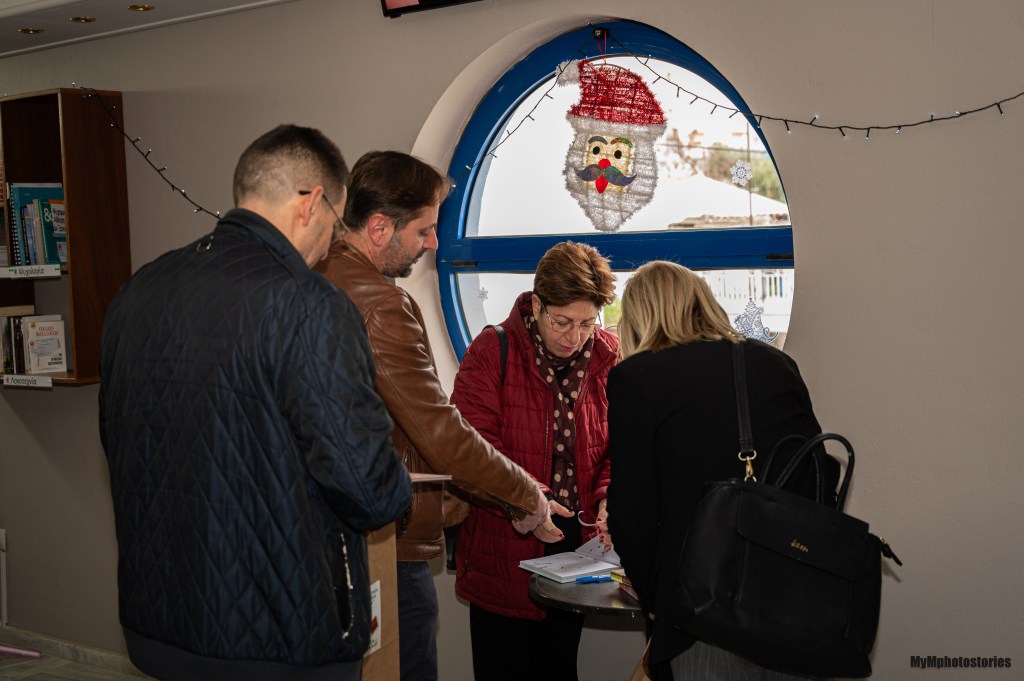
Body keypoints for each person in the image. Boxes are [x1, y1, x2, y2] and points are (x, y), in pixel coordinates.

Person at [99, 125, 413, 681]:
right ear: (311, 202)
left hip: (157, 624)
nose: (330, 243)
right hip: (276, 638)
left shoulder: (139, 289)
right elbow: (368, 491)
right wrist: (400, 488)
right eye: (335, 222)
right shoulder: (310, 306)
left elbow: (120, 440)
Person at [315, 150, 550, 681]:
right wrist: (524, 493)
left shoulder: (315, 274)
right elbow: (439, 431)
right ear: (379, 227)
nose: (435, 244)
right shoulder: (381, 305)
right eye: (423, 230)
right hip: (383, 542)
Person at [605, 260, 837, 681]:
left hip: (702, 610)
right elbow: (816, 471)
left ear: (639, 317)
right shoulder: (775, 363)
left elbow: (631, 514)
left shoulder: (636, 379)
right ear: (703, 302)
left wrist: (655, 597)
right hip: (793, 602)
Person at [449, 241, 619, 681]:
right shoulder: (493, 350)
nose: (574, 337)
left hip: (575, 549)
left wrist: (607, 497)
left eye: (586, 323)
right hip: (503, 544)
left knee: (558, 668)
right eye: (562, 321)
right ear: (537, 304)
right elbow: (472, 448)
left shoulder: (607, 356)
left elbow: (616, 446)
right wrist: (530, 502)